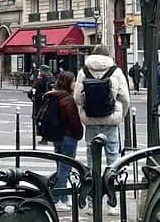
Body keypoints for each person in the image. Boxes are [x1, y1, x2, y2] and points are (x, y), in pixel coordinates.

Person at [74, 45, 130, 192]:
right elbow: (125, 99)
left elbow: (77, 98)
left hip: (91, 120)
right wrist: (120, 116)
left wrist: (86, 107)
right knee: (113, 161)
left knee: (92, 159)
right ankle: (113, 201)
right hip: (111, 120)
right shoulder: (116, 71)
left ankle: (93, 198)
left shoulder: (83, 71)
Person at [44, 71, 84, 212]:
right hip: (68, 136)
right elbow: (73, 121)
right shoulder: (67, 99)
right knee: (65, 168)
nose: (75, 84)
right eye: (73, 81)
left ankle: (63, 198)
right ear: (68, 82)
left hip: (57, 136)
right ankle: (58, 197)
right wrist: (79, 133)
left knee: (60, 166)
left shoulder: (54, 96)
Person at [30, 65, 55, 143]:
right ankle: (47, 136)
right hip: (50, 102)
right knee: (47, 119)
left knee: (40, 119)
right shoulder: (52, 79)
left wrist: (31, 95)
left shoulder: (41, 80)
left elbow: (34, 90)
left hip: (40, 102)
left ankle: (44, 137)